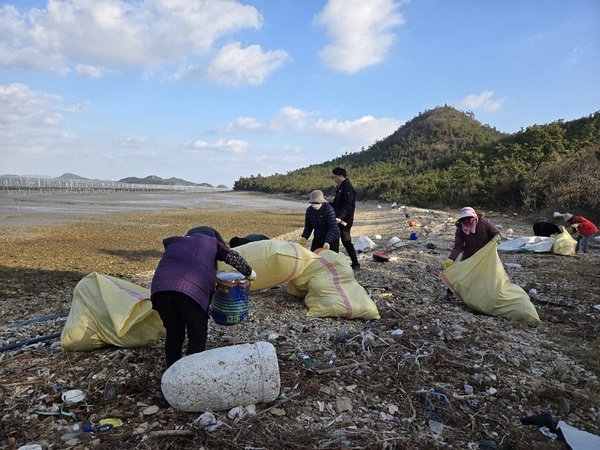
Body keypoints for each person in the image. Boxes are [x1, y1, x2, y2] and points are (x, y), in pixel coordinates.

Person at [151, 226, 256, 368]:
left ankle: (172, 373)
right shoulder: (212, 243)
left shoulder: (177, 241)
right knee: (197, 335)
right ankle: (191, 375)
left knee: (174, 332)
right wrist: (250, 274)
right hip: (191, 290)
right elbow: (233, 257)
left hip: (160, 290)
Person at [444, 207, 501, 299]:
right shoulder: (460, 229)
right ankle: (449, 293)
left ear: (474, 216)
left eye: (469, 218)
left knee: (488, 276)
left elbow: (495, 232)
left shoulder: (485, 223)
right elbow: (458, 246)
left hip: (485, 255)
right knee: (460, 275)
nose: (467, 220)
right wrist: (451, 258)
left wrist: (496, 237)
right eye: (464, 219)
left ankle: (488, 296)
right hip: (469, 255)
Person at [332, 167, 361, 270]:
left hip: (344, 220)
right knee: (336, 240)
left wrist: (340, 218)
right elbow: (337, 204)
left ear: (341, 176)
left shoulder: (347, 188)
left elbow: (347, 205)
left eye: (335, 177)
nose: (334, 179)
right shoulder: (340, 187)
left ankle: (355, 264)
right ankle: (334, 263)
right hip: (339, 219)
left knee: (345, 241)